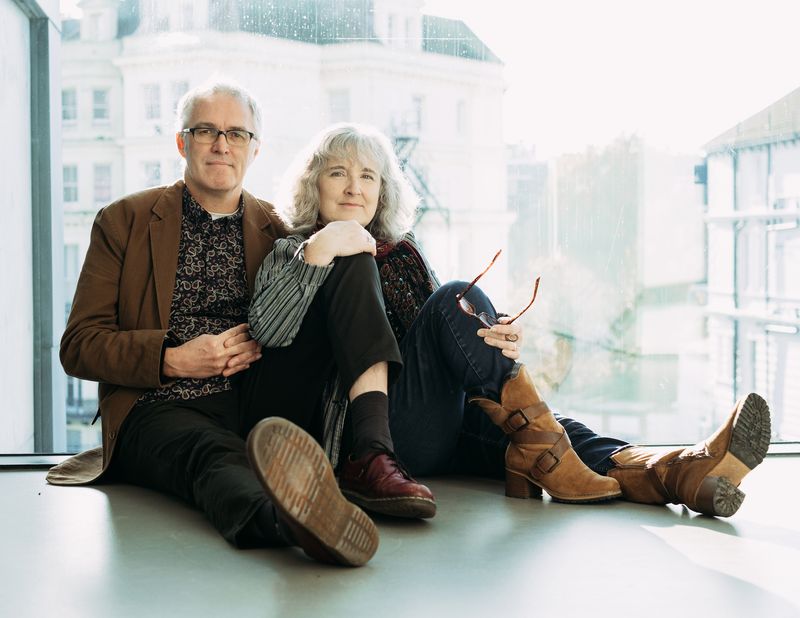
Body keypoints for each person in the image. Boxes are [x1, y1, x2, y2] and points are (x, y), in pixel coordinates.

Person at [248, 122, 772, 521]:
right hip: (374, 438)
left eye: (368, 175)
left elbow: (442, 344)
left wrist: (492, 342)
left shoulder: (405, 255)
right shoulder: (294, 249)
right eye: (338, 172)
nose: (353, 187)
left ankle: (679, 473)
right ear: (313, 184)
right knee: (461, 302)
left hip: (437, 421)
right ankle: (554, 456)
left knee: (551, 430)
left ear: (382, 191)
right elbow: (268, 330)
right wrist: (319, 251)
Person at [47, 82, 381, 568]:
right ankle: (287, 520)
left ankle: (366, 459)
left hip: (259, 396)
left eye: (236, 134)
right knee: (212, 454)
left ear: (255, 148)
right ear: (183, 143)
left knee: (329, 263)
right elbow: (78, 345)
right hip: (159, 406)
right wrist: (173, 359)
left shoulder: (278, 228)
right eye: (206, 131)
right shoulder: (124, 220)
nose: (222, 145)